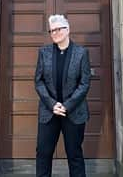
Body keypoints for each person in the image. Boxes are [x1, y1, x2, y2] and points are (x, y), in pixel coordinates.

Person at [34, 14, 91, 177]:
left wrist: (67, 105)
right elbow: (39, 81)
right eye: (52, 30)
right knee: (43, 154)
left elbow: (84, 83)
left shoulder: (81, 53)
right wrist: (52, 104)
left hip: (73, 112)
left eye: (59, 29)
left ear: (68, 29)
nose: (55, 33)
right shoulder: (43, 52)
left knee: (74, 155)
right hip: (48, 112)